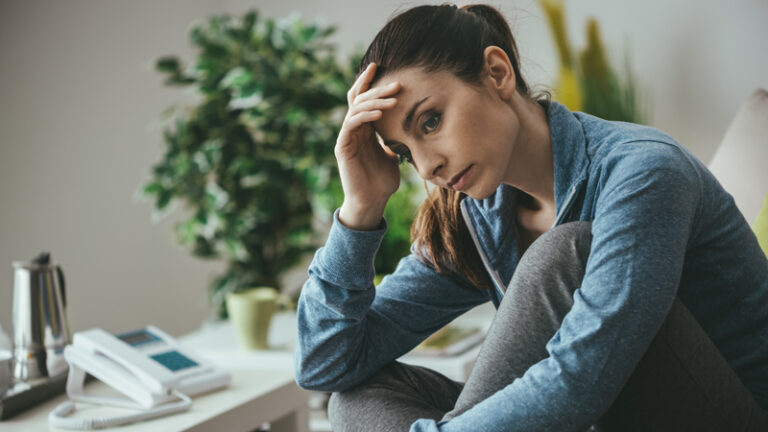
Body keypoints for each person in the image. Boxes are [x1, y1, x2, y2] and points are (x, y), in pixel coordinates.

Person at [293, 4, 768, 431]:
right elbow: (327, 365)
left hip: (733, 413)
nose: (427, 167)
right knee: (355, 399)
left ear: (497, 72)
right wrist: (361, 209)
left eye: (431, 121)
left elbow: (578, 381)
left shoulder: (643, 172)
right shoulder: (477, 216)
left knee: (562, 251)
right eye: (403, 152)